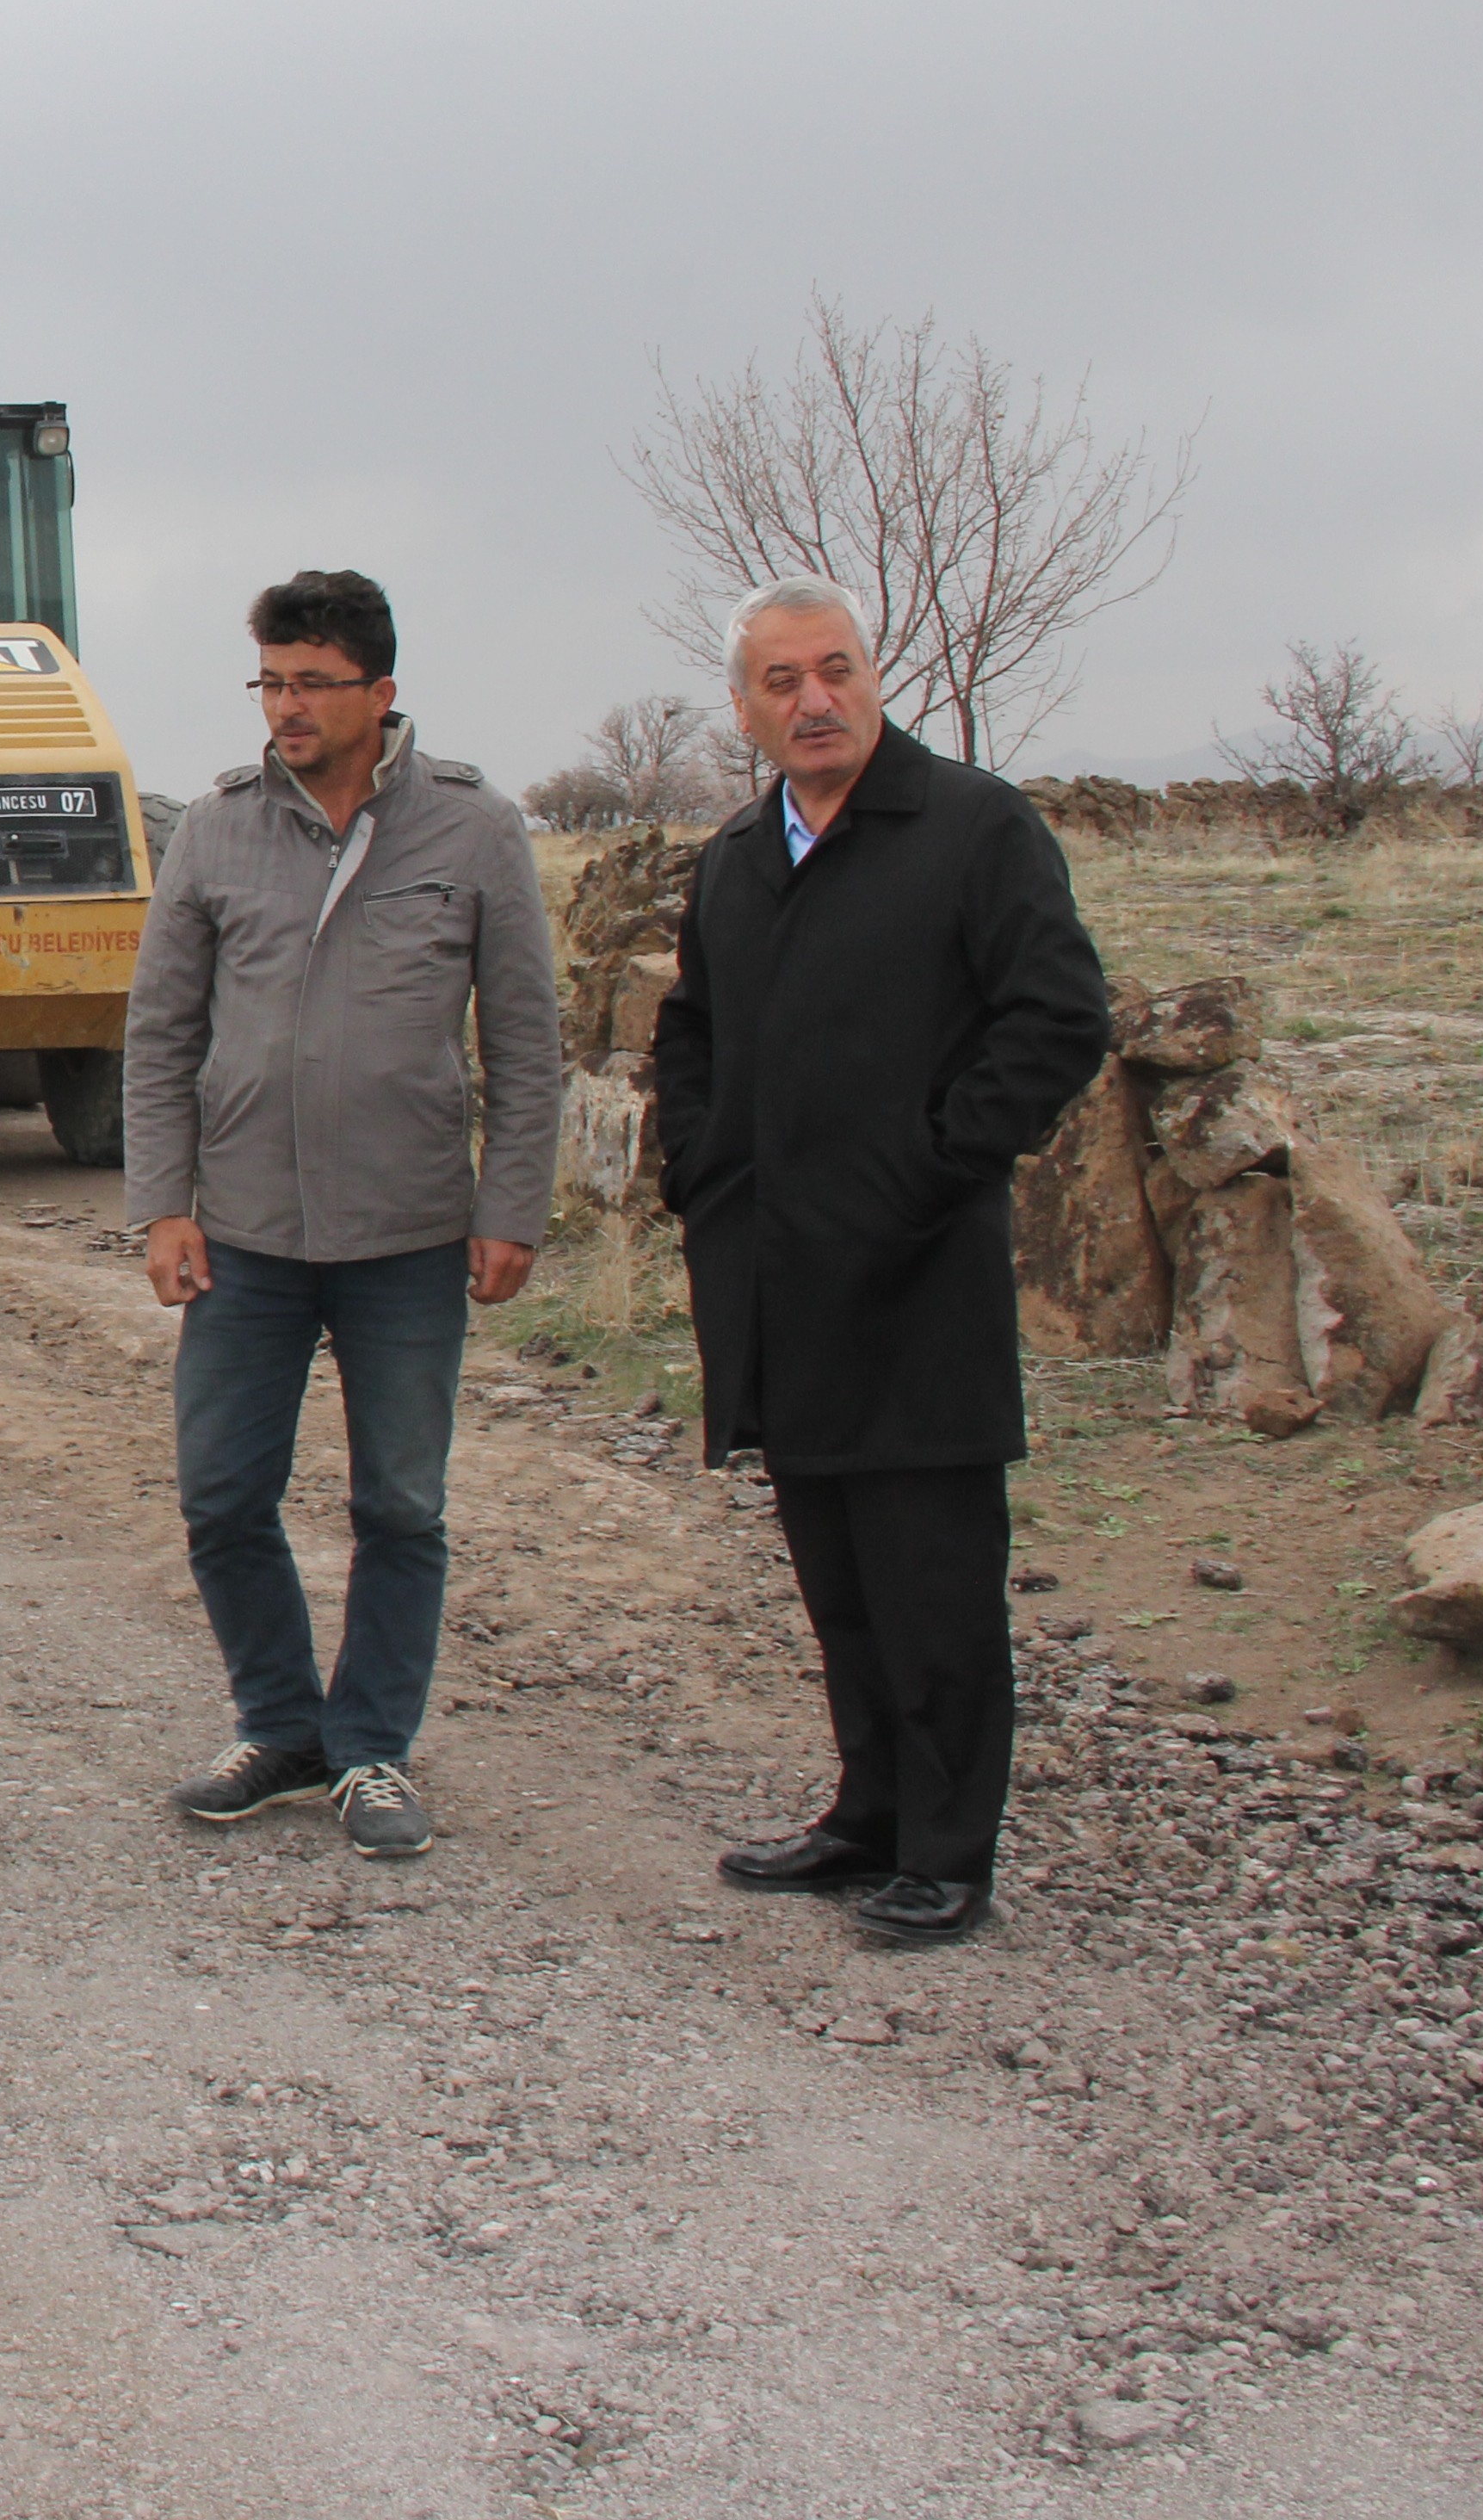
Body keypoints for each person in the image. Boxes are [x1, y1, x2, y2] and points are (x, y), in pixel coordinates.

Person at [655, 575, 1111, 1946]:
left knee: (933, 1580)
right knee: (837, 1571)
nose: (813, 700)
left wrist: (932, 1166)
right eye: (781, 681)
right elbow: (694, 1034)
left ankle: (950, 1849)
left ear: (872, 676)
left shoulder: (973, 828)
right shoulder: (739, 857)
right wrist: (702, 1172)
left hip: (915, 1279)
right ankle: (870, 1816)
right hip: (779, 1281)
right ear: (743, 708)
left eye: (834, 670)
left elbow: (1057, 1018)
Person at [124, 570, 561, 1860]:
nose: (285, 707)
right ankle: (281, 1726)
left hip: (413, 1234)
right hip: (245, 1235)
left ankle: (371, 1748)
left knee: (402, 1508)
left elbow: (527, 1043)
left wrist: (512, 1207)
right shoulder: (216, 827)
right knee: (221, 1494)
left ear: (381, 691)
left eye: (312, 682)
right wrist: (164, 1205)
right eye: (269, 680)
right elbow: (160, 1033)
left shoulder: (475, 830)